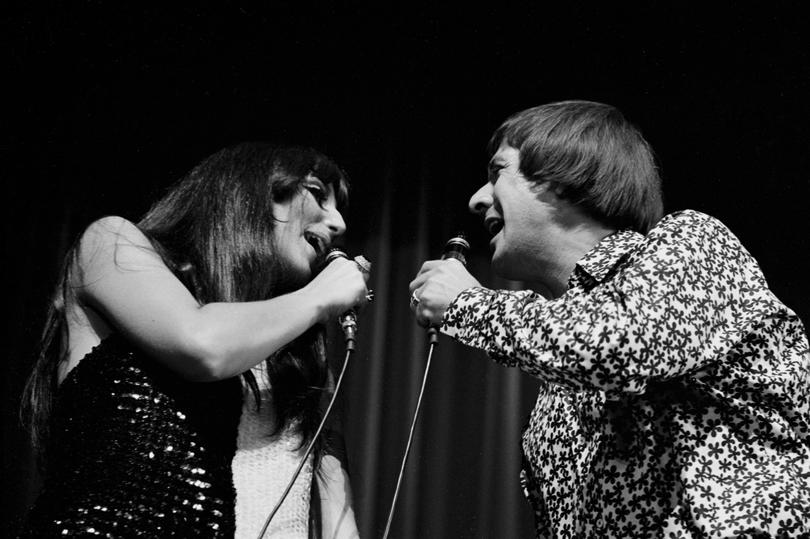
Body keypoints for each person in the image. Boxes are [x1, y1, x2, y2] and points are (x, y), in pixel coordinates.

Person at [409, 101, 810, 537]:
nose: (476, 199)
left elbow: (619, 345)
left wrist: (467, 303)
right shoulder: (556, 390)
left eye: (497, 172)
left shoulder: (692, 244)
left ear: (561, 176)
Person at [19, 143, 368, 538]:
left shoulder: (299, 355)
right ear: (251, 190)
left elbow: (336, 515)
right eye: (319, 194)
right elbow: (202, 344)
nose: (338, 222)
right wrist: (319, 296)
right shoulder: (111, 244)